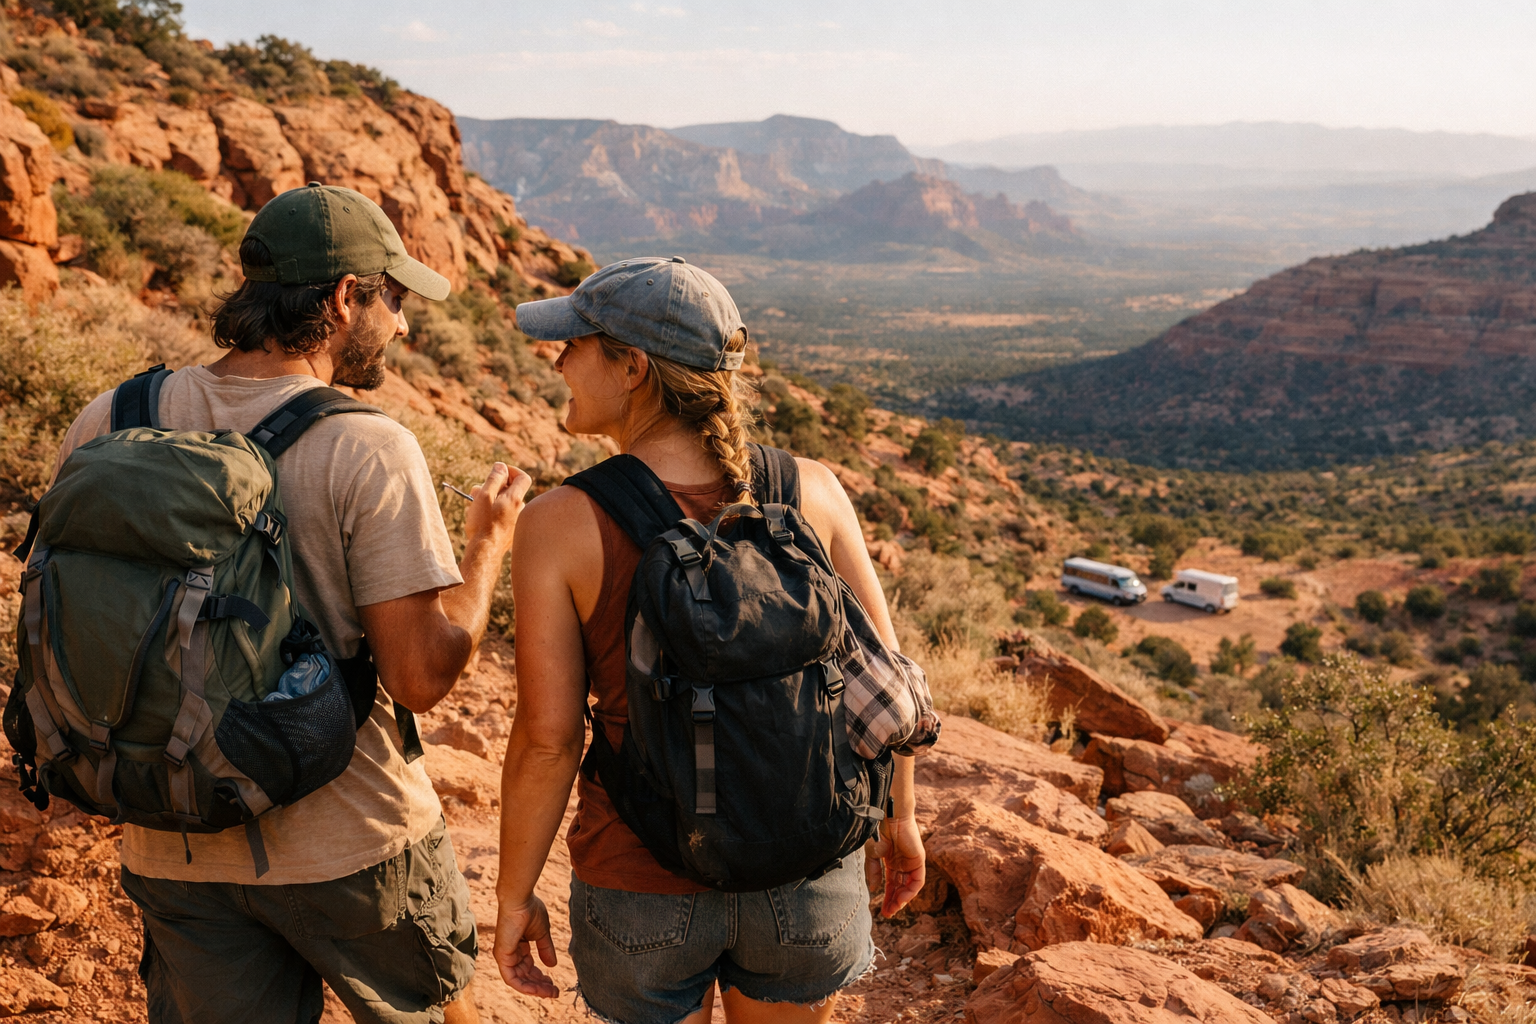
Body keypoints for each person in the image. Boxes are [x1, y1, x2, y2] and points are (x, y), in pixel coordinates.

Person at [48, 183, 530, 1024]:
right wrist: (487, 546)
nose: (406, 326)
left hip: (174, 834)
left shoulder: (111, 416)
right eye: (396, 301)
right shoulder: (366, 445)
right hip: (352, 841)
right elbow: (419, 678)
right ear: (347, 298)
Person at [492, 256, 927, 1024]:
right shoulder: (813, 490)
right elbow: (887, 689)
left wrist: (513, 894)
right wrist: (900, 821)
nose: (557, 360)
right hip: (806, 876)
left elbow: (547, 741)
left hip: (641, 885)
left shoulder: (560, 523)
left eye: (574, 344)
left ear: (631, 367)